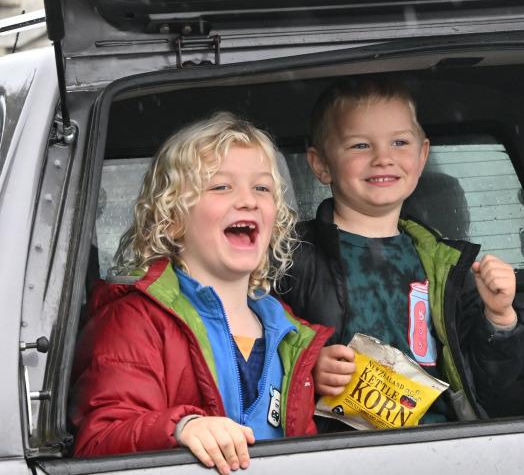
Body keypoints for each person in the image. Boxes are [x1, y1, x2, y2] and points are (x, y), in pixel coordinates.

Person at [70, 113, 332, 474]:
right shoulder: (135, 321)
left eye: (262, 188)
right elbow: (98, 440)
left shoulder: (289, 333)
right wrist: (182, 428)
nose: (248, 201)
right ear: (173, 219)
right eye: (222, 187)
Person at [278, 77, 524, 422]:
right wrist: (307, 371)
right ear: (321, 165)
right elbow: (252, 355)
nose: (383, 158)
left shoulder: (443, 264)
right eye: (360, 145)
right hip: (335, 451)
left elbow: (485, 382)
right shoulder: (291, 256)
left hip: (438, 443)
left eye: (399, 142)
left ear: (422, 156)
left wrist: (499, 318)